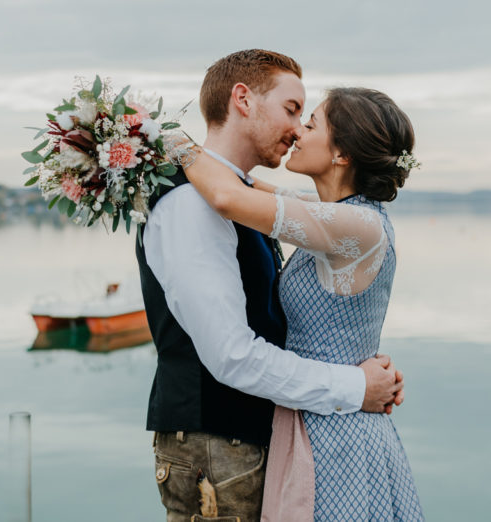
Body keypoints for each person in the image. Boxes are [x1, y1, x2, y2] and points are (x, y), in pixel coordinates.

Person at [137, 49, 404, 522]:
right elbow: (232, 354)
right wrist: (355, 381)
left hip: (309, 431)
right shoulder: (192, 203)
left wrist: (172, 144)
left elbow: (231, 193)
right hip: (224, 445)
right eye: (292, 109)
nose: (299, 128)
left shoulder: (347, 222)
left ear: (342, 153)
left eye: (309, 119)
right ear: (242, 100)